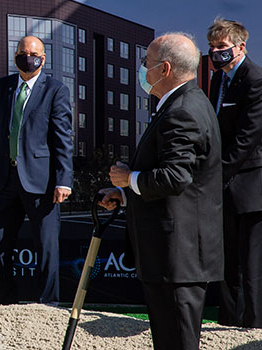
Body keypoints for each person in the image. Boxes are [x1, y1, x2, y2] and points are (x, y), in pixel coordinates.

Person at [99, 33, 223, 349]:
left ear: (164, 69)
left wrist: (130, 179)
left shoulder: (183, 111)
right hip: (171, 258)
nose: (142, 70)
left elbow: (175, 177)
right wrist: (126, 194)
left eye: (146, 63)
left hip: (177, 258)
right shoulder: (182, 105)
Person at [0, 35, 73, 305]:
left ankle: (48, 305)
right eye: (21, 52)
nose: (26, 57)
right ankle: (5, 303)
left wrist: (64, 180)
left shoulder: (56, 90)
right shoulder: (4, 87)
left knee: (47, 248)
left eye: (32, 53)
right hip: (6, 181)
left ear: (43, 59)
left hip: (42, 183)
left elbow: (63, 139)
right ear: (15, 55)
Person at [207, 18, 262, 328]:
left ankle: (254, 326)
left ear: (241, 47)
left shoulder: (256, 80)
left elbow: (247, 138)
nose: (216, 52)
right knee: (227, 263)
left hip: (251, 185)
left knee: (251, 264)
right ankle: (228, 324)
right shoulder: (217, 80)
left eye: (222, 47)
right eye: (212, 48)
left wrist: (218, 174)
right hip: (224, 186)